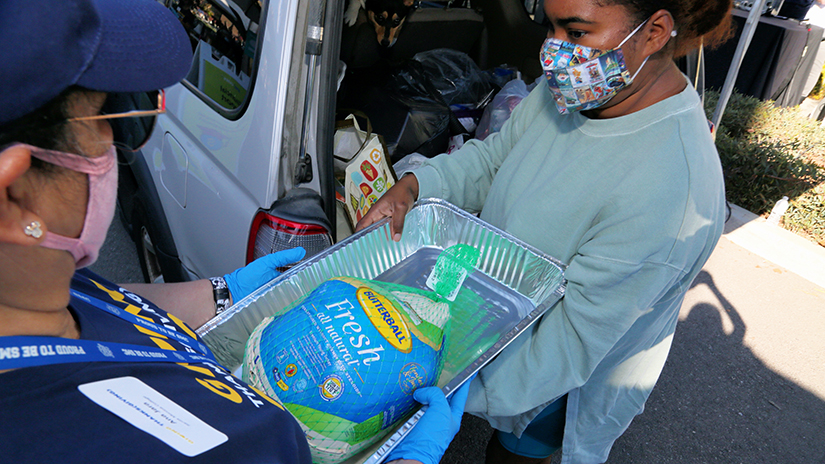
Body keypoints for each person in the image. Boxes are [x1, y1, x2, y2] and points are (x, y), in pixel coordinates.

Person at [0, 1, 469, 463]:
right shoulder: (57, 439)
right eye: (115, 116)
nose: (118, 150)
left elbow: (112, 306)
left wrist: (223, 293)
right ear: (14, 191)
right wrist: (411, 461)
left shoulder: (33, 287)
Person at [357, 0, 733, 463]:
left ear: (655, 31)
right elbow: (495, 159)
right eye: (550, 26)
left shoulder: (672, 191)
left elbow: (564, 349)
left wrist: (417, 381)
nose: (551, 52)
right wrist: (415, 186)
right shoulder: (577, 89)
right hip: (492, 312)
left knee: (519, 445)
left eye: (576, 33)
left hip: (553, 382)